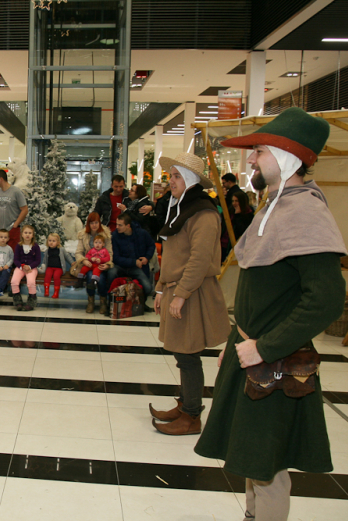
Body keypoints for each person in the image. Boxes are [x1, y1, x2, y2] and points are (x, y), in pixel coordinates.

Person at [195, 108, 348, 520]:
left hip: (273, 360)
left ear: (285, 157)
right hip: (254, 351)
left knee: (268, 465)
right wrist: (237, 342)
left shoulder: (304, 212)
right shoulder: (278, 205)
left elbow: (327, 300)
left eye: (259, 151)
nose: (250, 160)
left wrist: (264, 347)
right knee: (252, 457)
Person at [149, 152, 231, 436]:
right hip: (178, 288)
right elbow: (173, 254)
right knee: (182, 352)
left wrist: (181, 293)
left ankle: (192, 415)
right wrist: (161, 288)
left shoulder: (204, 213)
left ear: (190, 180)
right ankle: (185, 405)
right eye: (170, 175)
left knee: (188, 354)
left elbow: (199, 259)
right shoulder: (182, 209)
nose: (170, 181)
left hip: (193, 291)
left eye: (175, 176)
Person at [107, 213, 155, 304]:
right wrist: (134, 262)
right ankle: (110, 301)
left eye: (120, 225)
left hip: (137, 267)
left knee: (148, 288)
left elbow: (151, 245)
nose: (117, 227)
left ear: (128, 225)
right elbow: (115, 258)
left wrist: (147, 257)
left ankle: (140, 303)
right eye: (116, 224)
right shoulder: (115, 236)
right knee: (111, 272)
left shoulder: (142, 233)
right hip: (121, 266)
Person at [75, 213, 114, 314]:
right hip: (89, 264)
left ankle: (103, 302)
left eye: (96, 222)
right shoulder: (83, 234)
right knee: (89, 277)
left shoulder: (106, 234)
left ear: (99, 223)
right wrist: (84, 260)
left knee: (101, 280)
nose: (94, 225)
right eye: (92, 223)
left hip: (101, 264)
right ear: (88, 224)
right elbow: (78, 252)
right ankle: (90, 301)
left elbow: (109, 253)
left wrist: (107, 264)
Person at [0, 169, 28, 247]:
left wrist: (15, 225)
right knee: (0, 256)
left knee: (13, 255)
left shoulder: (16, 192)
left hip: (12, 230)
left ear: (1, 179)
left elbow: (25, 210)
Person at [11, 224, 41, 312]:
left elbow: (38, 260)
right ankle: (18, 302)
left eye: (30, 233)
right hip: (20, 267)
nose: (27, 235)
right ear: (22, 234)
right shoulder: (18, 246)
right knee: (14, 282)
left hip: (32, 268)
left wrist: (30, 266)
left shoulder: (35, 247)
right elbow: (15, 259)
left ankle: (31, 302)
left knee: (31, 282)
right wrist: (22, 266)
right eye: (26, 232)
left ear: (33, 235)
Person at [40, 233, 74, 299]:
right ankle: (46, 291)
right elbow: (44, 260)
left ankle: (56, 293)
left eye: (53, 241)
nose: (51, 242)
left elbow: (67, 256)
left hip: (59, 268)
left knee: (56, 276)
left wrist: (72, 262)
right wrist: (43, 266)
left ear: (58, 242)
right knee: (47, 275)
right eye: (50, 241)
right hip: (49, 267)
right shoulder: (47, 251)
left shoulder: (61, 250)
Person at [0, 229, 14, 299]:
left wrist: (7, 265)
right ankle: (0, 290)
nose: (3, 239)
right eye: (1, 237)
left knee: (5, 274)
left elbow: (12, 258)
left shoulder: (9, 249)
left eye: (5, 237)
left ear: (8, 239)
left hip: (7, 267)